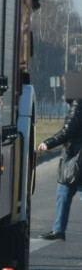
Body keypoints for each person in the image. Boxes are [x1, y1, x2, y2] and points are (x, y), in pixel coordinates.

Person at [37, 97, 82, 240]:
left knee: (67, 191)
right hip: (74, 156)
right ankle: (58, 230)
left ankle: (58, 230)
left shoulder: (78, 104)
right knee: (63, 192)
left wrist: (48, 143)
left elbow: (68, 130)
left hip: (76, 157)